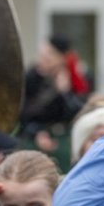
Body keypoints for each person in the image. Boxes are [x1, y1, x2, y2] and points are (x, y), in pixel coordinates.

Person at [19, 34, 91, 167]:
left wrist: (65, 93)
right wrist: (37, 133)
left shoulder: (79, 78)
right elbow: (23, 113)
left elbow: (81, 113)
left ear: (62, 58)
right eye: (41, 55)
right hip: (35, 136)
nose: (42, 60)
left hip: (65, 139)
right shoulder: (32, 77)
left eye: (49, 56)